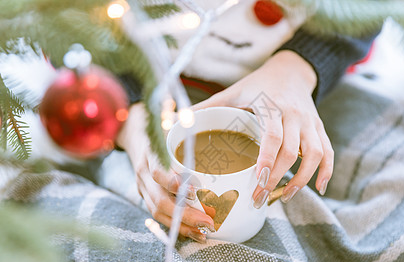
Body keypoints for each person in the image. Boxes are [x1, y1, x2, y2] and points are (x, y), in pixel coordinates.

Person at [116, 26, 378, 243]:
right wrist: (133, 122)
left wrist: (296, 67)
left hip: (298, 89)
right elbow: (89, 24)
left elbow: (365, 11)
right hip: (150, 92)